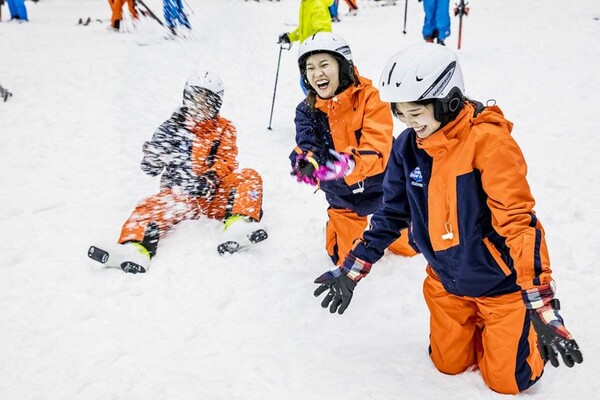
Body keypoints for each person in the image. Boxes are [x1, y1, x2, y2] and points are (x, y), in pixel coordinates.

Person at [313, 43, 583, 394]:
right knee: (447, 366)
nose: (410, 125)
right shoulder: (408, 147)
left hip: (500, 287)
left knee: (508, 382)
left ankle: (520, 327)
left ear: (448, 101)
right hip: (446, 281)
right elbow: (392, 213)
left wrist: (541, 305)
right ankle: (477, 328)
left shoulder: (489, 144)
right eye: (402, 116)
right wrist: (354, 268)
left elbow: (519, 223)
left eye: (416, 113)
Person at [88, 71, 266, 273]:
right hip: (180, 199)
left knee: (249, 177)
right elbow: (151, 167)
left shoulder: (224, 128)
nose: (199, 106)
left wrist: (210, 178)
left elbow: (226, 159)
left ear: (216, 105)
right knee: (147, 207)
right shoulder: (171, 128)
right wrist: (153, 159)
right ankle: (134, 248)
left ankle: (238, 225)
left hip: (213, 197)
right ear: (186, 98)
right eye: (195, 99)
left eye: (206, 102)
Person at [290, 32, 417, 267]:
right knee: (344, 257)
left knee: (411, 247)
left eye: (324, 64)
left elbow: (378, 146)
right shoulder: (307, 110)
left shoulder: (370, 98)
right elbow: (307, 143)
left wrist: (348, 163)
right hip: (342, 194)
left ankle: (401, 225)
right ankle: (343, 227)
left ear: (343, 66)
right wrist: (307, 162)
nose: (317, 73)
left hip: (384, 188)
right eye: (310, 68)